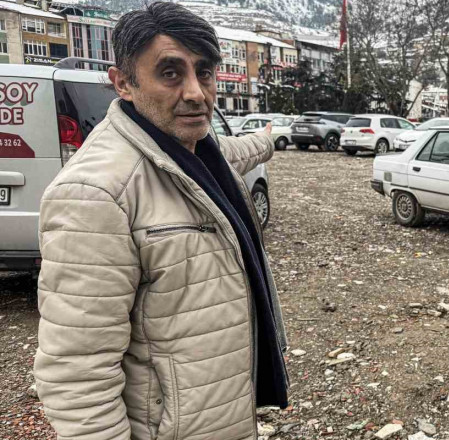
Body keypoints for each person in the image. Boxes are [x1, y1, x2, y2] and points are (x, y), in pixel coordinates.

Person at [34, 3, 289, 439]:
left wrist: (268, 140)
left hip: (219, 413)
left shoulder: (195, 150)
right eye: (171, 73)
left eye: (204, 73)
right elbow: (77, 372)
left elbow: (236, 151)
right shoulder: (96, 193)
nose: (196, 92)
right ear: (123, 83)